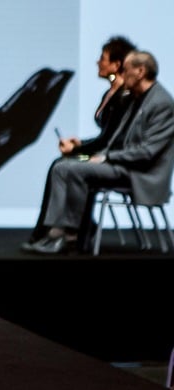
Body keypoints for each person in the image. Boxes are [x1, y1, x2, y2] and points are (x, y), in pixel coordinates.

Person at [26, 50, 174, 254]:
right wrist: (86, 150)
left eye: (126, 70)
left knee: (73, 170)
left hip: (140, 172)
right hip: (122, 164)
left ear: (140, 71)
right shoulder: (136, 99)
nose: (122, 75)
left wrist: (106, 157)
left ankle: (71, 235)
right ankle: (55, 232)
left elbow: (147, 153)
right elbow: (113, 138)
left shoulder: (161, 103)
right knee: (62, 167)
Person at [23, 35, 137, 249]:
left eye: (103, 58)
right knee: (60, 164)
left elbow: (110, 140)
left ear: (116, 64)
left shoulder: (124, 97)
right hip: (102, 152)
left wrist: (78, 149)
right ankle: (55, 229)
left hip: (110, 158)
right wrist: (79, 145)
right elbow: (106, 136)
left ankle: (63, 230)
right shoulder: (111, 93)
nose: (98, 62)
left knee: (63, 166)